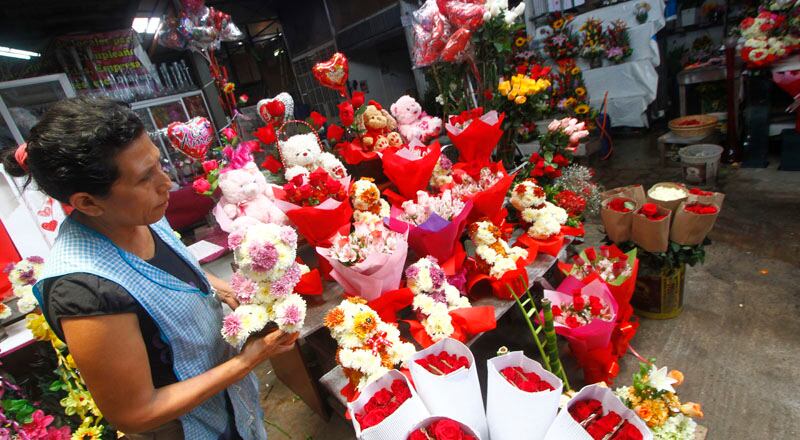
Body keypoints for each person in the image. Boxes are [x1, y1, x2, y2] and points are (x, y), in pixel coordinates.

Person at [2, 97, 298, 439]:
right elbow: (137, 413)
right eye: (145, 178)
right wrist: (247, 361)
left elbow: (167, 272)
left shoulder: (139, 216)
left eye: (158, 165)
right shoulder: (84, 291)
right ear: (87, 202)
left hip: (231, 404)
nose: (166, 183)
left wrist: (220, 288)